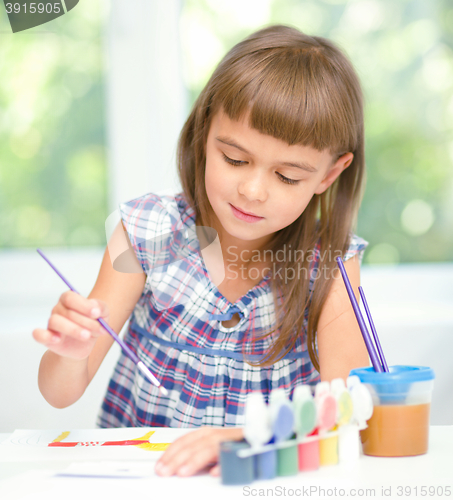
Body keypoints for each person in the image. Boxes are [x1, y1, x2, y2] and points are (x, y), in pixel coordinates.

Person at [33, 25, 370, 477]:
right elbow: (59, 393)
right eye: (234, 158)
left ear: (329, 175)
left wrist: (244, 439)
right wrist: (71, 351)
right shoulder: (147, 231)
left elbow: (347, 410)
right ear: (205, 129)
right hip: (148, 479)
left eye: (287, 176)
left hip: (265, 478)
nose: (252, 190)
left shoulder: (329, 261)